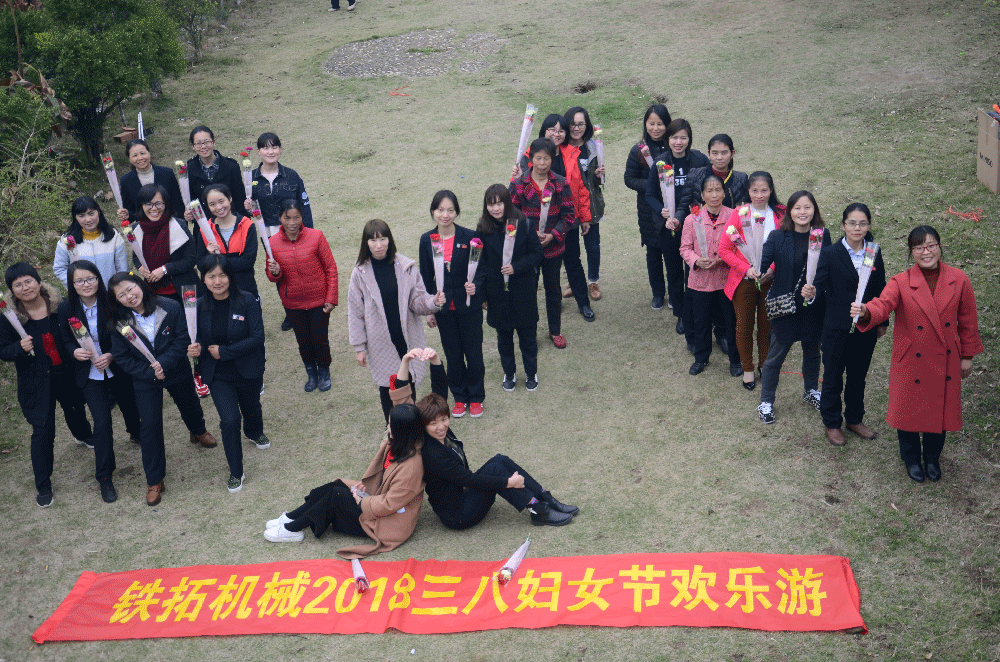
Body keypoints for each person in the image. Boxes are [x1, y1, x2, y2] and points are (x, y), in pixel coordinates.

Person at [853, 226, 983, 483]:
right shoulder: (900, 281)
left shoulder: (959, 279)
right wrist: (867, 311)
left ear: (940, 246)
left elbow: (968, 321)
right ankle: (911, 459)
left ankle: (932, 459)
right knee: (908, 412)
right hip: (911, 359)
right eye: (919, 247)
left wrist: (967, 356)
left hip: (946, 358)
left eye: (931, 245)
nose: (926, 252)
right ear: (911, 252)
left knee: (940, 411)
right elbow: (883, 304)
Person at [108, 272, 216, 506]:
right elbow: (122, 357)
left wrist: (163, 363)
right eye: (121, 295)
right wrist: (150, 372)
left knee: (189, 404)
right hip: (145, 378)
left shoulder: (169, 306)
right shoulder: (118, 322)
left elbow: (182, 338)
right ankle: (155, 479)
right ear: (116, 300)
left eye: (130, 289)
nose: (129, 296)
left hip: (175, 368)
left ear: (140, 285)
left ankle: (198, 430)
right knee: (149, 426)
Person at [263, 403, 424, 558]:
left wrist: (362, 501)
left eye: (391, 425)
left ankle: (293, 529)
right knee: (337, 484)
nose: (388, 427)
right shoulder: (400, 444)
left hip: (389, 524)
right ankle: (292, 517)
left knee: (337, 495)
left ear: (401, 431)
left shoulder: (411, 468)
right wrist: (364, 491)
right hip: (379, 503)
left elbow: (389, 504)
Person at [416, 390, 578, 529]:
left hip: (463, 495)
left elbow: (439, 392)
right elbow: (468, 479)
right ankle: (538, 510)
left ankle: (545, 498)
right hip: (458, 515)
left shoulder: (443, 433)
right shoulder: (433, 454)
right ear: (424, 426)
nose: (441, 427)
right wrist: (509, 482)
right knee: (495, 469)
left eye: (444, 419)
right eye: (433, 423)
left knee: (499, 460)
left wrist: (435, 360)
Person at [1, 263, 93, 508]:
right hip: (36, 381)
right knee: (43, 431)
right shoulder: (9, 318)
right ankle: (43, 484)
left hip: (65, 372)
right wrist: (18, 348)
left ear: (38, 281)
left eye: (28, 281)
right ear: (12, 290)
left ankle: (83, 435)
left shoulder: (59, 306)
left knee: (75, 407)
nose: (25, 287)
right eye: (18, 285)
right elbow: (3, 351)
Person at [57, 260, 143, 503]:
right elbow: (65, 340)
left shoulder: (111, 301)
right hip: (90, 373)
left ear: (98, 278)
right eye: (79, 281)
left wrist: (113, 354)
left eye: (90, 278)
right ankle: (105, 476)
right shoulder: (66, 308)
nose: (86, 284)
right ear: (72, 284)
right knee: (102, 423)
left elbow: (128, 332)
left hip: (117, 367)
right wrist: (74, 351)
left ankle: (136, 433)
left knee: (130, 407)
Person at [349, 218, 443, 421]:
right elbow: (355, 312)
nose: (379, 245)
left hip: (408, 338)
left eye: (383, 239)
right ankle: (391, 429)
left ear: (389, 240)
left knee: (409, 384)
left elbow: (417, 301)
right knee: (388, 388)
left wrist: (433, 302)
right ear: (366, 243)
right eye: (373, 240)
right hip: (381, 343)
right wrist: (359, 347)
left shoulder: (406, 267)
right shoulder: (359, 274)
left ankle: (411, 429)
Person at [188, 255, 268, 493]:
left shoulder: (247, 300)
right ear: (203, 279)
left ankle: (254, 432)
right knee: (230, 420)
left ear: (230, 276)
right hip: (218, 375)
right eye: (211, 276)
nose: (217, 281)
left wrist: (224, 351)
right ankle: (236, 470)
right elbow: (195, 337)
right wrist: (195, 348)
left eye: (222, 275)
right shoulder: (197, 306)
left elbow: (257, 338)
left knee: (251, 407)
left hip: (247, 368)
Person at [813, 203, 888, 446]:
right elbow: (820, 287)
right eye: (852, 223)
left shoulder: (873, 251)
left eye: (862, 223)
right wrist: (811, 293)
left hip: (866, 326)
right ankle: (832, 422)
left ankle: (855, 419)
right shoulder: (830, 253)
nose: (857, 228)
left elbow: (880, 288)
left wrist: (882, 321)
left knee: (858, 376)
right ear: (844, 225)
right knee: (833, 377)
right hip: (836, 327)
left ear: (869, 225)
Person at [757, 191, 831, 424]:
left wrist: (815, 290)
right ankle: (766, 401)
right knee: (775, 357)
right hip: (785, 308)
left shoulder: (822, 235)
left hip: (812, 307)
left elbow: (826, 269)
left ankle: (811, 390)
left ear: (814, 210)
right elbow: (763, 261)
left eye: (807, 207)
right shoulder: (778, 236)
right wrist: (756, 270)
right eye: (797, 207)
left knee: (812, 352)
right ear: (789, 211)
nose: (802, 212)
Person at [516, 115, 593, 322]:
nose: (556, 134)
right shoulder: (530, 155)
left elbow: (581, 186)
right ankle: (548, 308)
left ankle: (583, 303)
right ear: (544, 130)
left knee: (573, 261)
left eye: (561, 130)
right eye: (552, 129)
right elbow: (519, 190)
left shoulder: (571, 153)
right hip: (536, 225)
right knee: (541, 270)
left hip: (566, 219)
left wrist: (584, 217)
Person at [675, 134, 749, 348]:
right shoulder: (696, 174)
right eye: (715, 153)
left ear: (732, 154)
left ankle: (723, 334)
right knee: (697, 297)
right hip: (699, 241)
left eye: (724, 152)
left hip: (727, 247)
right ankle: (695, 335)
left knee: (724, 299)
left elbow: (745, 208)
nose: (719, 157)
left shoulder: (741, 178)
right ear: (708, 154)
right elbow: (684, 202)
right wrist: (678, 219)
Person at [418, 190, 486, 418]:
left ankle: (476, 397)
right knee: (453, 355)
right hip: (444, 309)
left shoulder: (470, 237)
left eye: (450, 210)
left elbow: (482, 268)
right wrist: (429, 309)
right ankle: (459, 396)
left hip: (469, 306)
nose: (445, 215)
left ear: (456, 212)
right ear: (433, 212)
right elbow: (426, 278)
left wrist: (476, 285)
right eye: (440, 210)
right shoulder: (428, 240)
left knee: (474, 354)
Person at [719, 172, 786, 390]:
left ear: (771, 191)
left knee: (767, 327)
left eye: (764, 190)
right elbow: (724, 249)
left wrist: (772, 270)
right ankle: (747, 367)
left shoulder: (781, 214)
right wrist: (746, 269)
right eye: (755, 190)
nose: (759, 195)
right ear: (748, 191)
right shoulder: (739, 213)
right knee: (744, 326)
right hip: (744, 280)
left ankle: (765, 364)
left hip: (771, 280)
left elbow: (786, 246)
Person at [473, 184, 543, 392]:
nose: (495, 209)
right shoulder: (482, 229)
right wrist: (482, 296)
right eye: (491, 204)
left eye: (499, 203)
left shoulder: (524, 223)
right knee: (504, 338)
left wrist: (516, 267)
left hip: (522, 290)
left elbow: (537, 254)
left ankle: (531, 373)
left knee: (527, 337)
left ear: (507, 203)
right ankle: (509, 373)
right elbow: (479, 264)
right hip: (496, 293)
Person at [509, 138, 577, 348]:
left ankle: (555, 331)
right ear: (530, 159)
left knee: (553, 290)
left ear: (552, 159)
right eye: (538, 158)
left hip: (553, 248)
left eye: (546, 158)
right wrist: (528, 236)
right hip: (528, 250)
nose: (542, 163)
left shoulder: (561, 183)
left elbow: (569, 215)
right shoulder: (518, 184)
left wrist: (553, 235)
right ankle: (529, 333)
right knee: (528, 292)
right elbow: (511, 217)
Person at [644, 118, 711, 330]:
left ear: (689, 139)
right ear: (668, 139)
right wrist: (661, 210)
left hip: (696, 224)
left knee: (693, 270)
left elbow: (710, 188)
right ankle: (681, 314)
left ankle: (695, 311)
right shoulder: (660, 163)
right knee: (674, 271)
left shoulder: (699, 160)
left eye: (683, 138)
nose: (678, 142)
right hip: (670, 226)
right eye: (674, 137)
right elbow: (649, 194)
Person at [265, 199, 338, 392]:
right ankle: (311, 372)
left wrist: (331, 298)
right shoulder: (271, 243)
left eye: (296, 217)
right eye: (287, 218)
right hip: (293, 303)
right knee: (303, 341)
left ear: (302, 217)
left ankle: (324, 371)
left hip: (319, 301)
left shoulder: (317, 236)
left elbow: (330, 268)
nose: (292, 223)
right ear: (280, 218)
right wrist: (275, 271)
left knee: (320, 340)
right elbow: (272, 277)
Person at [245, 131, 313, 331]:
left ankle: (307, 306)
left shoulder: (291, 176)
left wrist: (309, 233)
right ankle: (290, 311)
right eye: (265, 148)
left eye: (274, 147)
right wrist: (247, 207)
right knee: (279, 271)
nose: (270, 151)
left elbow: (304, 206)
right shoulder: (250, 178)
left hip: (293, 229)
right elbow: (246, 211)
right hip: (268, 232)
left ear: (280, 149)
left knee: (299, 267)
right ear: (258, 151)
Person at [678, 175, 739, 375]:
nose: (714, 195)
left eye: (718, 190)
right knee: (701, 322)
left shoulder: (734, 216)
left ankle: (736, 361)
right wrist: (696, 260)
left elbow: (740, 247)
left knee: (730, 321)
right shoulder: (691, 219)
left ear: (724, 193)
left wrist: (722, 260)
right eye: (709, 191)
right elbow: (685, 248)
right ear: (702, 195)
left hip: (726, 279)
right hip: (700, 281)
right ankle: (701, 358)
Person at [623, 104, 672, 310]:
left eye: (660, 124)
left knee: (673, 254)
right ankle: (658, 294)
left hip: (672, 208)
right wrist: (652, 185)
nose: (656, 128)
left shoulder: (674, 146)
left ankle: (675, 293)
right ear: (645, 125)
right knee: (653, 254)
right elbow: (629, 179)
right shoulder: (638, 150)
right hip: (648, 210)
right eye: (651, 124)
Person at [128, 183, 197, 304]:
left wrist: (165, 269)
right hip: (153, 291)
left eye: (158, 203)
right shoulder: (137, 228)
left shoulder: (179, 226)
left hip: (182, 289)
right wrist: (140, 267)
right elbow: (136, 255)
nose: (154, 208)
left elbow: (191, 259)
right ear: (141, 206)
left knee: (189, 316)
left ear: (166, 204)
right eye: (148, 204)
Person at [564, 106, 606, 301]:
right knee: (571, 249)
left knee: (593, 247)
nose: (576, 128)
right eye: (573, 124)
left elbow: (598, 181)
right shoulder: (561, 148)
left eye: (581, 124)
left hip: (591, 205)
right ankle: (574, 281)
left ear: (587, 125)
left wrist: (598, 176)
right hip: (569, 207)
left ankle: (593, 281)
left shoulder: (593, 147)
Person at [196, 183, 259, 298]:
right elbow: (200, 264)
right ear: (207, 207)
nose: (218, 207)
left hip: (244, 288)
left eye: (221, 201)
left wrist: (215, 260)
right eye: (212, 204)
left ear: (229, 199)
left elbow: (248, 261)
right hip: (216, 292)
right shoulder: (205, 230)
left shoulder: (247, 225)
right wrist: (209, 254)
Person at [53, 196, 129, 288]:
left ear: (98, 212)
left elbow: (123, 268)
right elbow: (60, 268)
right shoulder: (68, 240)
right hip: (82, 293)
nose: (88, 219)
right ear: (75, 217)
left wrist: (117, 289)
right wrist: (78, 286)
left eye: (91, 213)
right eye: (82, 216)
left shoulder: (113, 236)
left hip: (110, 292)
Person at [184, 125, 247, 220]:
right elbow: (192, 200)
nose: (203, 146)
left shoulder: (231, 166)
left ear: (213, 142)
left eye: (207, 142)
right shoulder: (189, 169)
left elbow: (239, 198)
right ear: (193, 146)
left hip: (231, 221)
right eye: (198, 143)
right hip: (205, 223)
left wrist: (242, 222)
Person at [116, 138, 185, 223]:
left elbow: (178, 204)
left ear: (149, 153)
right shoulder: (126, 181)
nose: (140, 158)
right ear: (129, 159)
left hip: (169, 224)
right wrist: (126, 215)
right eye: (135, 155)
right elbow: (131, 212)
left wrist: (180, 225)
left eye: (142, 153)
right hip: (145, 227)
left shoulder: (167, 173)